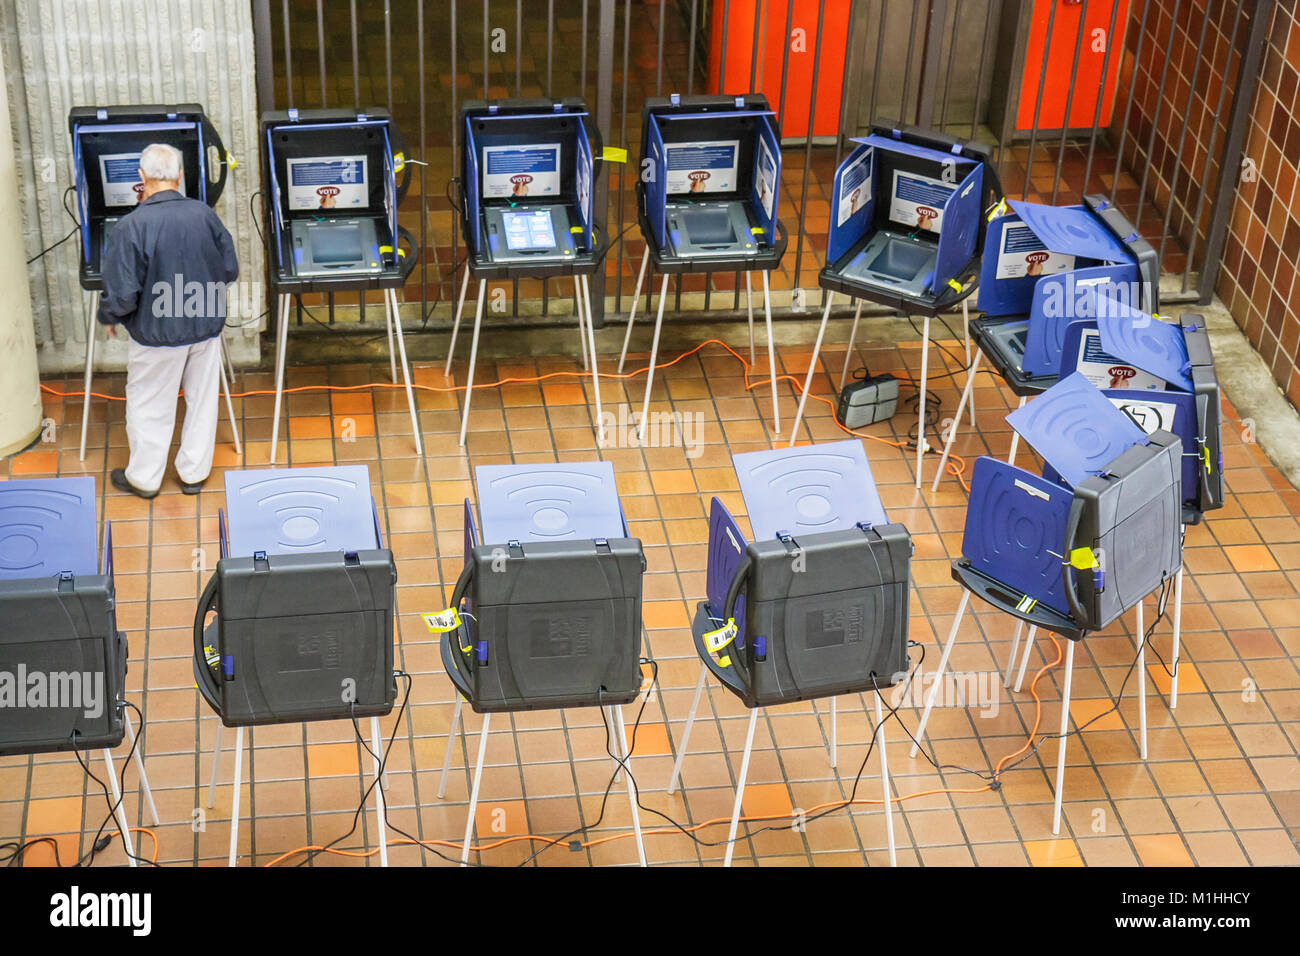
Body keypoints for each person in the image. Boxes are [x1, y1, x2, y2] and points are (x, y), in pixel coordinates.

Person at [97, 143, 239, 498]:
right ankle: (193, 474)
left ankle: (145, 479)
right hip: (204, 328)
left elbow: (122, 291)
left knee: (150, 404)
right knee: (201, 400)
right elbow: (229, 269)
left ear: (142, 178)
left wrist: (110, 315)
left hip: (155, 334)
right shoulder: (204, 214)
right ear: (179, 176)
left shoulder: (131, 226)